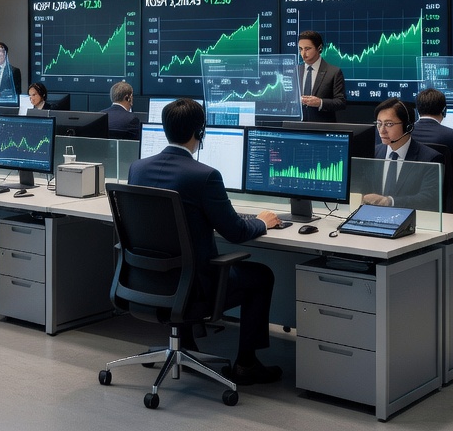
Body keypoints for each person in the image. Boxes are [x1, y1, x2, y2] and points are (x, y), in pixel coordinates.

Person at [127, 98, 283, 385]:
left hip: (147, 281)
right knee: (261, 275)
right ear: (200, 132)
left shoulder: (138, 169)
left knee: (180, 261)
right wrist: (263, 221)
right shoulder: (205, 176)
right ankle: (246, 364)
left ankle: (187, 346)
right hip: (195, 288)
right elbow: (235, 232)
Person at [357, 98, 443, 209]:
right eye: (379, 124)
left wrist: (390, 201)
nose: (381, 130)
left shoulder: (430, 158)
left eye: (388, 124)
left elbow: (429, 198)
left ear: (408, 126)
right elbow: (362, 189)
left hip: (413, 220)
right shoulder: (373, 154)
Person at [297, 30, 345, 122]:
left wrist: (320, 103)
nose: (303, 54)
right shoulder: (295, 71)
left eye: (307, 49)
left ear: (319, 48)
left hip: (322, 127)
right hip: (296, 127)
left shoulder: (333, 72)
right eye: (300, 49)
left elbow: (341, 102)